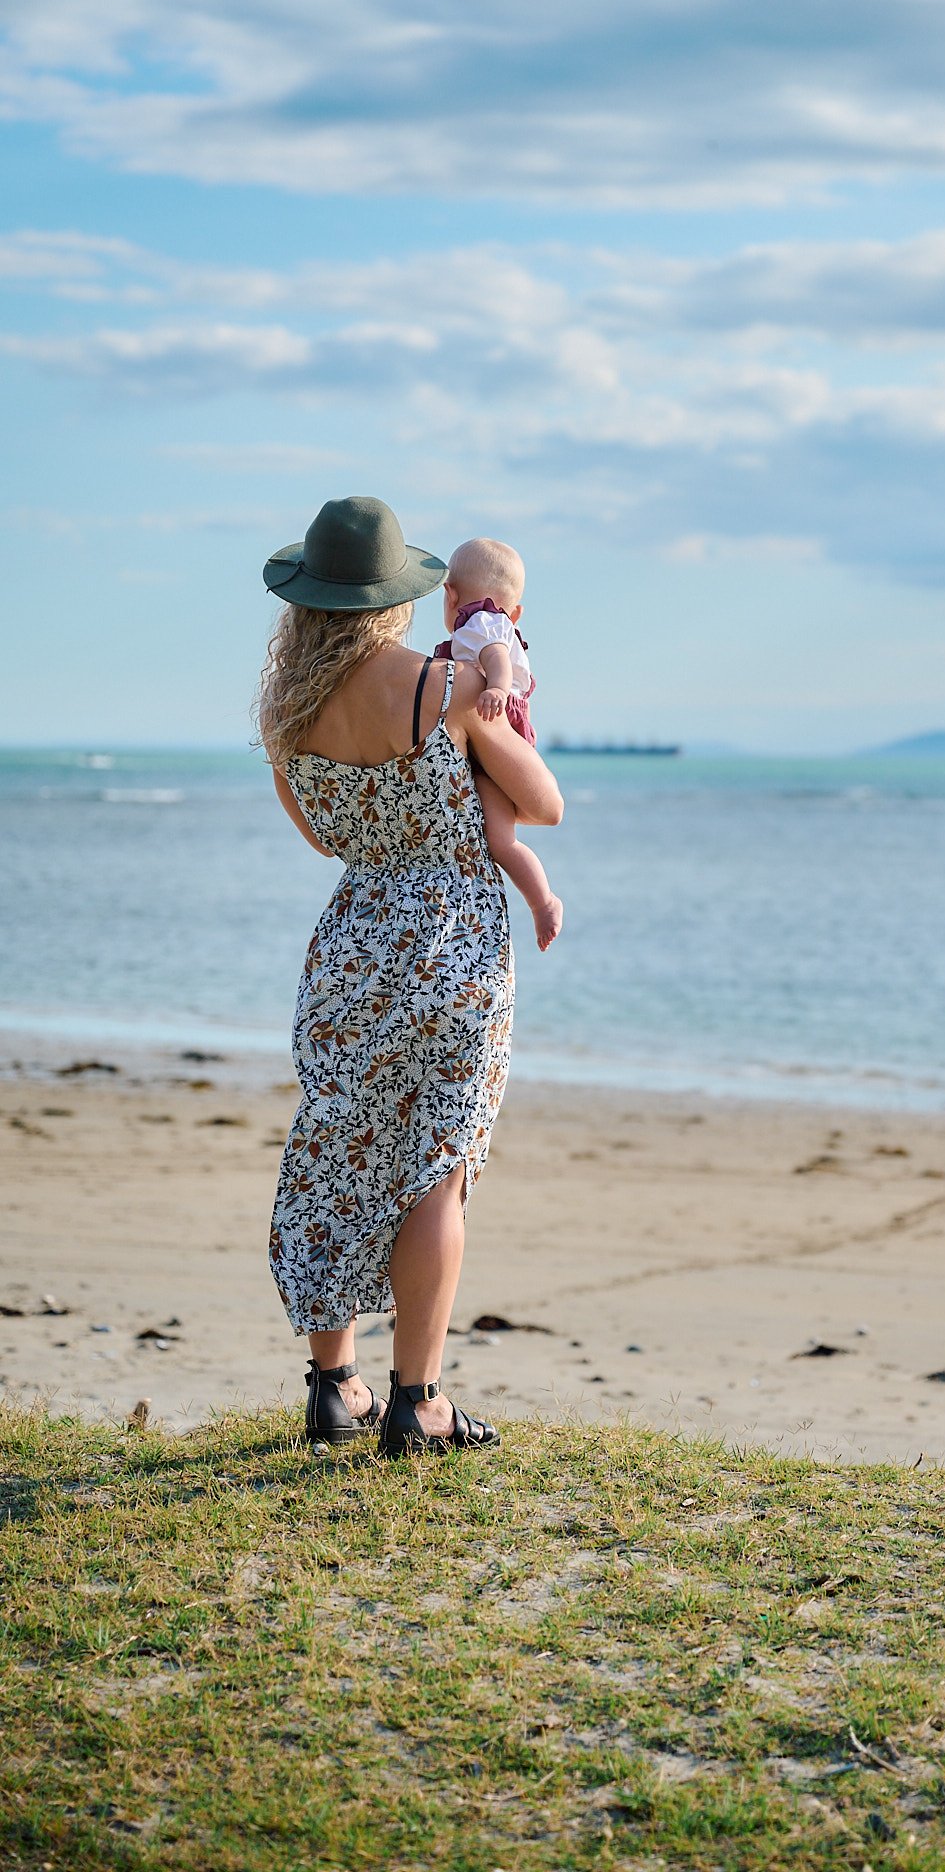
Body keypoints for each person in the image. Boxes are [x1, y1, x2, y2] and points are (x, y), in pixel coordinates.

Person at [256, 495, 563, 1456]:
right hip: (454, 943)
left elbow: (319, 838)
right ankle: (418, 1399)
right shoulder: (444, 686)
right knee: (439, 1170)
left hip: (352, 943)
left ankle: (332, 1385)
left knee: (339, 1153)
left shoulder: (286, 710)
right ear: (397, 595)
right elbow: (543, 804)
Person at [434, 536, 563, 952]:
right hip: (502, 732)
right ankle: (542, 900)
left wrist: (496, 688)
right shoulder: (500, 622)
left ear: (450, 596)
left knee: (501, 842)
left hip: (496, 727)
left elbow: (496, 657)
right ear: (518, 610)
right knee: (498, 838)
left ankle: (543, 902)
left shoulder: (478, 621)